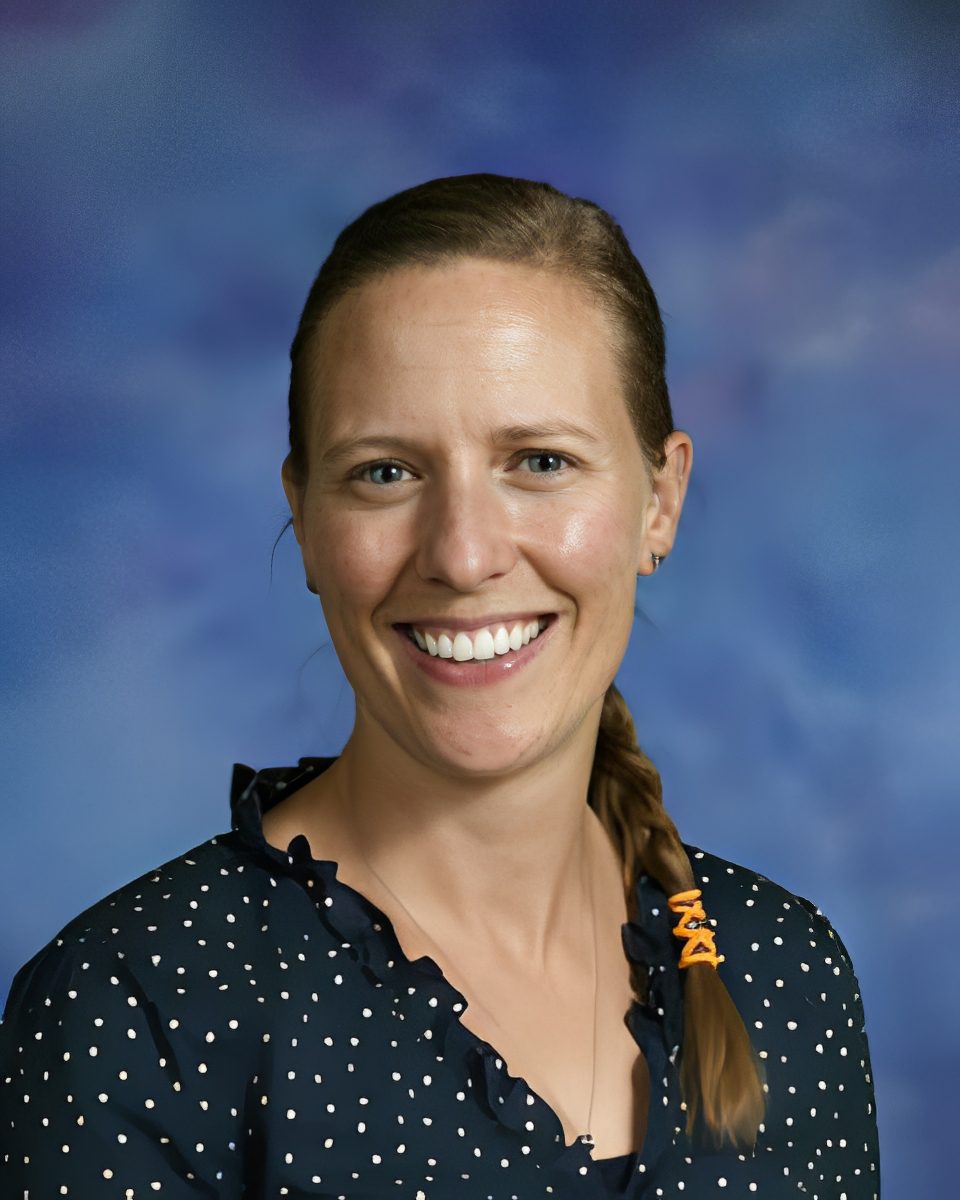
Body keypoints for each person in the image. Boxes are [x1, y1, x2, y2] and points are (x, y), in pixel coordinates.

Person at [0, 174, 880, 1198]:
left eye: (540, 461)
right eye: (385, 472)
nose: (463, 555)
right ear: (307, 516)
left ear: (661, 499)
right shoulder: (137, 1008)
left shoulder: (788, 975)